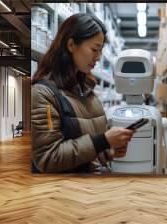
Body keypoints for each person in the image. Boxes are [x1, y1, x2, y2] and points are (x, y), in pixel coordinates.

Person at [31, 13, 134, 173]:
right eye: (94, 49)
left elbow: (89, 149)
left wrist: (109, 152)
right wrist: (104, 141)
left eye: (100, 50)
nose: (98, 57)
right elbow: (48, 157)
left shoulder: (87, 90)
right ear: (71, 45)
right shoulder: (43, 94)